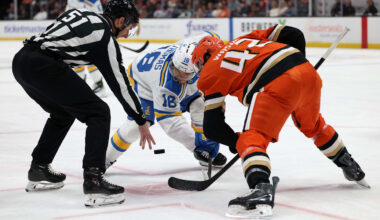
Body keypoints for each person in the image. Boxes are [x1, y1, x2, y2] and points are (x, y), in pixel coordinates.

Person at [191, 25, 369, 218]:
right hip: (307, 73)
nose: (200, 70)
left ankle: (260, 189)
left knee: (252, 139)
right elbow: (293, 34)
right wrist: (299, 64)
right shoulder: (243, 39)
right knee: (314, 126)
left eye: (199, 65)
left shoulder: (208, 74)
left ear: (204, 58)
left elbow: (212, 127)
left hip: (275, 84)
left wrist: (236, 143)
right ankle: (349, 164)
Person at [12, 0, 155, 207]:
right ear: (121, 20)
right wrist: (140, 118)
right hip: (43, 65)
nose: (126, 35)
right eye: (129, 29)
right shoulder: (105, 38)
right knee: (99, 112)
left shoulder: (81, 15)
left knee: (63, 114)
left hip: (22, 61)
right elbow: (120, 85)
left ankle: (39, 168)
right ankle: (94, 178)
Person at [106, 31, 227, 170]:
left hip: (170, 75)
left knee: (199, 105)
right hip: (143, 82)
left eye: (185, 74)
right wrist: (197, 147)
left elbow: (212, 35)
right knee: (136, 125)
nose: (180, 78)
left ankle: (205, 150)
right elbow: (171, 124)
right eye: (177, 71)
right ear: (173, 62)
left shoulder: (196, 46)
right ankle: (104, 158)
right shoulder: (165, 85)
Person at [66, 0, 108, 97]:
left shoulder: (93, 1)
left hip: (89, 33)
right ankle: (81, 86)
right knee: (76, 60)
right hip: (76, 34)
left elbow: (99, 17)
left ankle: (99, 85)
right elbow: (67, 15)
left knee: (89, 60)